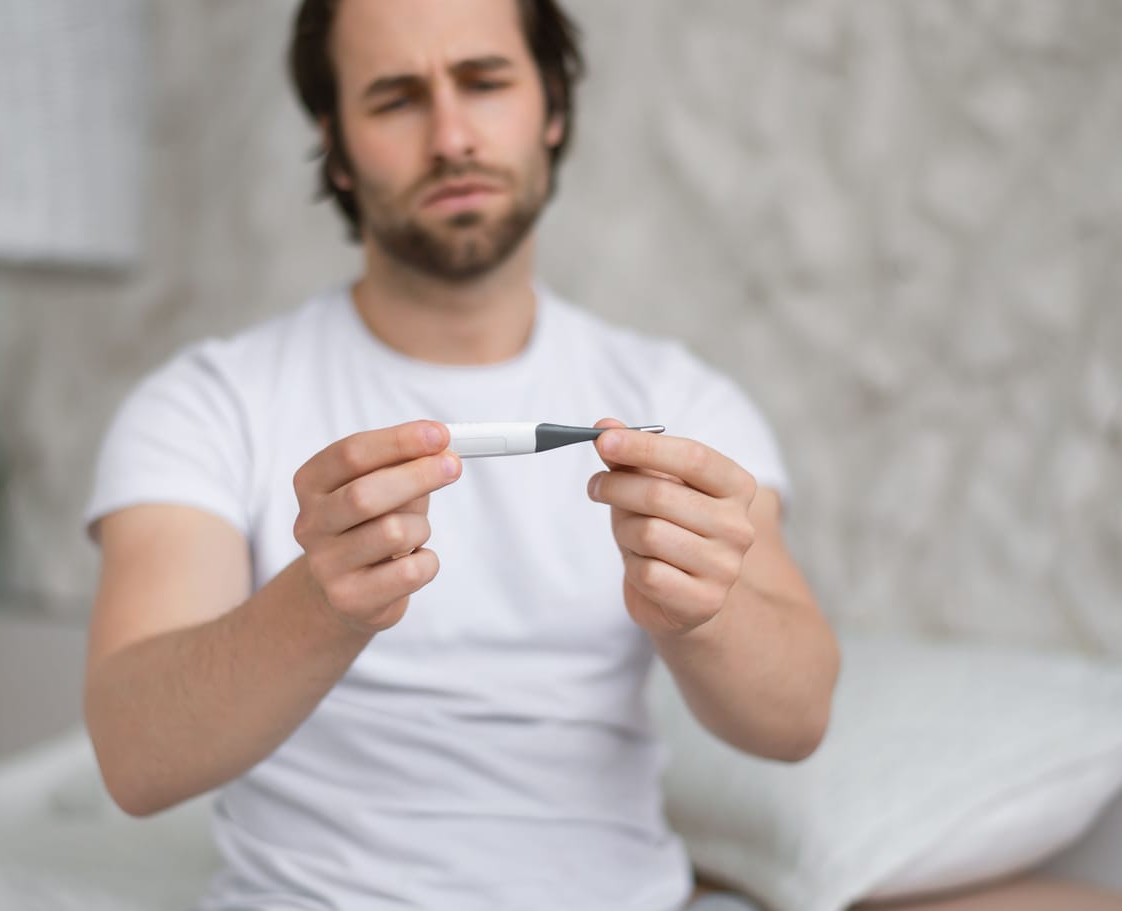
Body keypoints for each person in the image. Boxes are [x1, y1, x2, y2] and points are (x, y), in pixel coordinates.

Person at [81, 2, 1114, 909]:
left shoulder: (678, 399)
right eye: (395, 98)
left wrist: (704, 612)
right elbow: (135, 754)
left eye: (483, 82)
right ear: (337, 145)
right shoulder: (209, 404)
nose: (450, 135)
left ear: (552, 109)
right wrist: (322, 602)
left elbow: (795, 715)